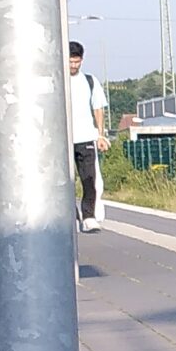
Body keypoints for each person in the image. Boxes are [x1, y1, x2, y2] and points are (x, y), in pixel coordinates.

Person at [68, 40, 107, 231]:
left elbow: (98, 108)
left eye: (77, 62)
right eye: (70, 62)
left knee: (89, 179)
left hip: (85, 137)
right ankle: (71, 214)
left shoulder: (90, 81)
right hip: (63, 139)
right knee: (65, 180)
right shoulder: (57, 80)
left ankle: (89, 216)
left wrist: (100, 135)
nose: (73, 66)